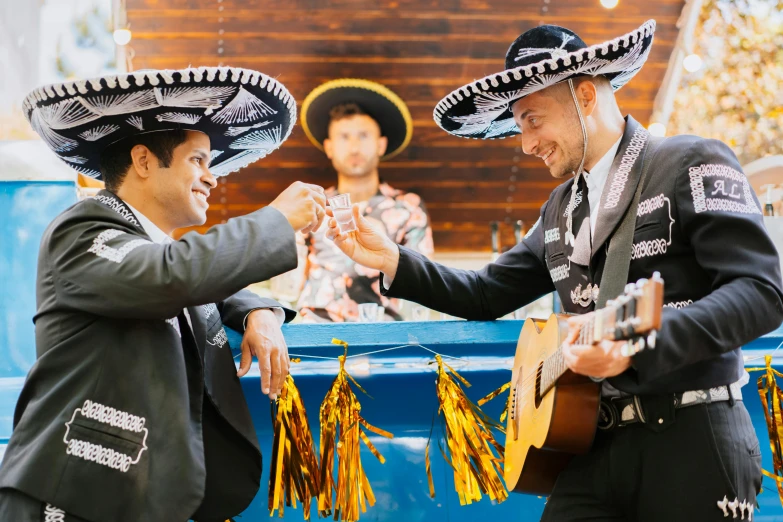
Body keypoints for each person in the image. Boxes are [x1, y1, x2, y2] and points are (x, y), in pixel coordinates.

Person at [326, 21, 783, 521]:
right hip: (590, 447)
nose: (525, 144)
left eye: (532, 120)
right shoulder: (559, 208)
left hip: (691, 436)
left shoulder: (690, 161)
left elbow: (762, 291)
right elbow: (486, 293)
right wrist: (391, 258)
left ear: (585, 96)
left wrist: (646, 339)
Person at [0, 66, 326, 522]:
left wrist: (260, 310)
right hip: (73, 495)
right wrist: (275, 220)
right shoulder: (81, 228)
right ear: (144, 161)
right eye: (198, 160)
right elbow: (169, 275)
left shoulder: (159, 253)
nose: (212, 179)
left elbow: (196, 281)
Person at [294, 79, 433, 322]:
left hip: (385, 337)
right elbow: (290, 278)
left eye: (364, 136)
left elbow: (425, 280)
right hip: (313, 332)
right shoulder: (310, 204)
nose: (355, 147)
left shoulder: (409, 208)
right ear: (329, 147)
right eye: (344, 137)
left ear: (381, 144)